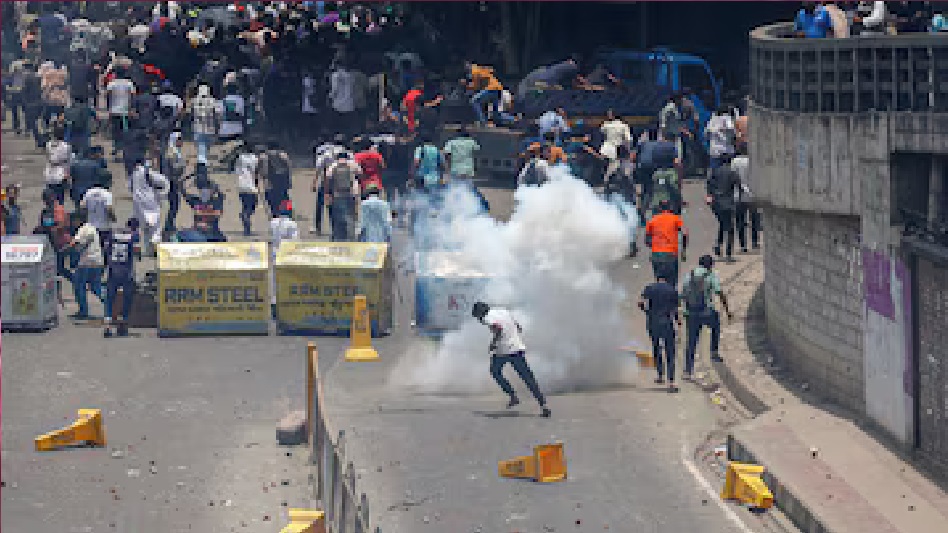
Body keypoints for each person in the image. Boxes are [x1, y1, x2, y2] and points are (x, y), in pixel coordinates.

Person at [471, 302, 551, 418]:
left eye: (477, 316)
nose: (478, 319)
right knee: (528, 378)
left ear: (480, 313)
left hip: (503, 351)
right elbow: (518, 327)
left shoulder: (487, 318)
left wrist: (493, 343)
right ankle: (544, 406)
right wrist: (513, 337)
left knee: (495, 371)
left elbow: (498, 329)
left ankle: (512, 395)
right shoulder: (503, 311)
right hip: (516, 348)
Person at [681, 255, 732, 374]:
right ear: (710, 265)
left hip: (691, 312)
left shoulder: (689, 275)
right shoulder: (710, 275)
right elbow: (719, 292)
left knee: (691, 341)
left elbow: (683, 294)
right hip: (707, 312)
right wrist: (727, 310)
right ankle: (714, 352)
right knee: (716, 326)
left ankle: (688, 370)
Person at [639, 273, 681, 392]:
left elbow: (640, 303)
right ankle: (671, 381)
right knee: (670, 351)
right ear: (667, 279)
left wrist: (647, 312)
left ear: (657, 279)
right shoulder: (672, 290)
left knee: (656, 348)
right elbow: (675, 309)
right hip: (667, 323)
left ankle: (660, 375)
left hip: (653, 323)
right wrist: (678, 321)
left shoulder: (649, 288)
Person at [103, 219, 138, 338]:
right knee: (127, 298)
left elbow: (106, 250)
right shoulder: (134, 237)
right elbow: (137, 253)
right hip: (127, 272)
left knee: (109, 298)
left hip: (113, 271)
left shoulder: (112, 235)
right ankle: (123, 323)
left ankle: (107, 324)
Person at [67, 208, 105, 320]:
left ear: (79, 220)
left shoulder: (83, 230)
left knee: (79, 286)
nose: (72, 223)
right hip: (97, 262)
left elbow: (75, 243)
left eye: (74, 220)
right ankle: (112, 305)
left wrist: (63, 249)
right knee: (96, 287)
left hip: (87, 263)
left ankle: (83, 311)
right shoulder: (92, 228)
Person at [130, 154, 169, 257]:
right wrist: (162, 194)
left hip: (138, 203)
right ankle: (156, 247)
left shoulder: (133, 174)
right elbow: (164, 182)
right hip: (151, 202)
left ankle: (148, 251)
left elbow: (130, 188)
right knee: (155, 227)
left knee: (145, 227)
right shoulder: (147, 172)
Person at [645, 199, 688, 287]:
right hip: (670, 255)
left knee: (659, 281)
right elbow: (684, 233)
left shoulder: (652, 220)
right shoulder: (675, 218)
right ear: (670, 207)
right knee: (672, 282)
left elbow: (647, 240)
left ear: (659, 208)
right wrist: (683, 251)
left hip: (656, 255)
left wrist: (655, 246)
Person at [707, 152, 741, 262]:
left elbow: (709, 185)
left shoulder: (715, 172)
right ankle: (728, 253)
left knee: (722, 223)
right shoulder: (732, 173)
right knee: (730, 228)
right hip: (728, 203)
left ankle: (718, 244)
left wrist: (710, 195)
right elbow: (738, 185)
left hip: (716, 203)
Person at [325, 150, 363, 242]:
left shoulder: (333, 166)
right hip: (351, 194)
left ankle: (338, 236)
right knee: (351, 215)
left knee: (338, 216)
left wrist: (327, 193)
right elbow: (360, 174)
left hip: (337, 194)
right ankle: (351, 236)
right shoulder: (353, 165)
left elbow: (328, 179)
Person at [731, 150, 762, 252]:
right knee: (754, 220)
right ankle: (754, 242)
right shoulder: (752, 161)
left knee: (740, 221)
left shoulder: (735, 161)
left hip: (739, 194)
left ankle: (743, 245)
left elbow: (733, 177)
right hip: (752, 194)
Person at [106, 70, 136, 158]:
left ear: (116, 74)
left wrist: (109, 109)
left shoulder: (111, 83)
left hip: (114, 111)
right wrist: (132, 109)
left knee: (115, 131)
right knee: (125, 131)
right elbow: (133, 97)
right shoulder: (129, 83)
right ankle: (124, 149)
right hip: (125, 112)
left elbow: (108, 97)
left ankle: (116, 147)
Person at [80, 177, 116, 248]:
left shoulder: (88, 192)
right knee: (104, 248)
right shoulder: (107, 194)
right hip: (104, 227)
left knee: (92, 248)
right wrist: (113, 218)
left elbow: (82, 206)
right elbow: (109, 209)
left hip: (91, 226)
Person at [162, 131, 187, 233]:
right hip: (171, 182)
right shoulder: (171, 153)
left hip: (174, 181)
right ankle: (168, 225)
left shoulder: (176, 152)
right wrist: (183, 165)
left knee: (175, 204)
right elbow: (172, 168)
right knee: (174, 204)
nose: (181, 142)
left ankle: (170, 224)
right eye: (179, 140)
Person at [258, 142, 293, 217]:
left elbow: (262, 171)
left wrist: (263, 181)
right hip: (282, 179)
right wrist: (289, 180)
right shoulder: (283, 154)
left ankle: (275, 214)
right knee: (284, 197)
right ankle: (286, 215)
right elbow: (289, 167)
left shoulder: (263, 156)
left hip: (270, 180)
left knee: (272, 198)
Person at [190, 84, 221, 164]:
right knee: (206, 146)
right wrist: (218, 126)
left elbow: (191, 114)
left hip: (197, 127)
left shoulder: (194, 101)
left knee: (201, 146)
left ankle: (202, 163)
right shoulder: (214, 101)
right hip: (210, 127)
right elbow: (218, 114)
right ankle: (202, 163)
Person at [236, 143, 260, 236]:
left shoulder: (240, 157)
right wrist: (257, 184)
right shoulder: (255, 159)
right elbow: (256, 173)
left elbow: (237, 171)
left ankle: (246, 222)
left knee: (245, 205)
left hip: (241, 185)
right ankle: (245, 216)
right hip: (251, 186)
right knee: (252, 206)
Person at [44, 126, 73, 205]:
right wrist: (68, 174)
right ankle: (59, 209)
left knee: (50, 194)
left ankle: (52, 207)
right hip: (61, 173)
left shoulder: (48, 144)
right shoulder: (66, 146)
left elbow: (48, 157)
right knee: (60, 196)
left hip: (50, 172)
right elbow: (69, 161)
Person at [704, 106, 736, 171]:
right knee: (729, 170)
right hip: (726, 151)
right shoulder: (727, 118)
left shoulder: (712, 120)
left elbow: (706, 135)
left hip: (716, 151)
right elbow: (732, 130)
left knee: (715, 171)